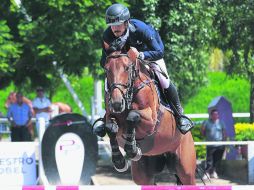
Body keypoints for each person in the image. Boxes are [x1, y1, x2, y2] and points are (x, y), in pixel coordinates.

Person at [96, 3, 193, 135]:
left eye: (118, 24)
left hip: (149, 55)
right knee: (110, 83)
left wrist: (141, 55)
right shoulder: (108, 35)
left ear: (126, 22)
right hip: (125, 64)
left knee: (164, 80)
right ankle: (105, 116)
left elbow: (159, 51)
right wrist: (113, 63)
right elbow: (103, 61)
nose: (115, 28)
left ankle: (180, 115)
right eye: (112, 25)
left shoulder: (140, 29)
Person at [201, 109, 226, 179]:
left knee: (217, 160)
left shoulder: (221, 122)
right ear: (211, 115)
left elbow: (224, 133)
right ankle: (206, 173)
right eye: (214, 114)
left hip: (220, 145)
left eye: (217, 114)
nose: (215, 116)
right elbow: (202, 133)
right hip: (210, 144)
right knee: (209, 160)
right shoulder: (206, 122)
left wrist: (224, 143)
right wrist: (202, 128)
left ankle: (213, 172)